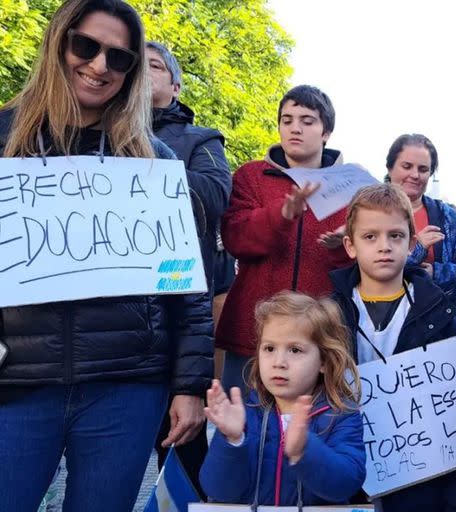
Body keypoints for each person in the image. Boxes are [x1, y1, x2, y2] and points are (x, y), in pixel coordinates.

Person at [0, 1, 212, 511]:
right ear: (59, 43)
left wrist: (188, 386)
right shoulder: (4, 139)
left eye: (119, 58)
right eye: (87, 46)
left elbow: (186, 284)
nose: (99, 66)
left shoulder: (154, 160)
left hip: (125, 389)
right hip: (17, 384)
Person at [330, 183, 456, 512]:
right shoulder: (328, 315)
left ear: (412, 243)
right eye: (370, 237)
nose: (384, 246)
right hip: (347, 477)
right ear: (350, 245)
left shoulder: (439, 313)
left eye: (396, 236)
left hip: (421, 480)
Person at [216, 85, 351, 394]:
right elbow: (235, 238)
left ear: (326, 131)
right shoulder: (251, 176)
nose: (294, 128)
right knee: (243, 429)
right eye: (287, 119)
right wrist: (281, 215)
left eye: (307, 120)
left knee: (311, 429)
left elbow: (362, 261)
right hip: (253, 335)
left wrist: (349, 244)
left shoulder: (350, 185)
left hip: (319, 336)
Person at [147, 40, 232, 497]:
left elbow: (214, 196)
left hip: (176, 313)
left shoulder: (201, 140)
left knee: (182, 454)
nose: (142, 71)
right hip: (100, 338)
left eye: (155, 66)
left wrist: (145, 160)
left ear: (176, 86)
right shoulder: (80, 133)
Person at [199, 291, 365, 506]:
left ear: (324, 361)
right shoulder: (247, 413)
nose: (279, 362)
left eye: (295, 350)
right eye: (269, 348)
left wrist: (305, 451)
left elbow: (347, 483)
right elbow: (219, 491)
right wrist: (232, 440)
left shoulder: (341, 415)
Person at [385, 134, 456, 297]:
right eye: (407, 166)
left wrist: (437, 273)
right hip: (380, 314)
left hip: (437, 316)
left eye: (423, 169)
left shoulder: (448, 218)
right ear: (390, 168)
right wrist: (418, 249)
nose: (415, 175)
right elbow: (365, 266)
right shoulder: (369, 213)